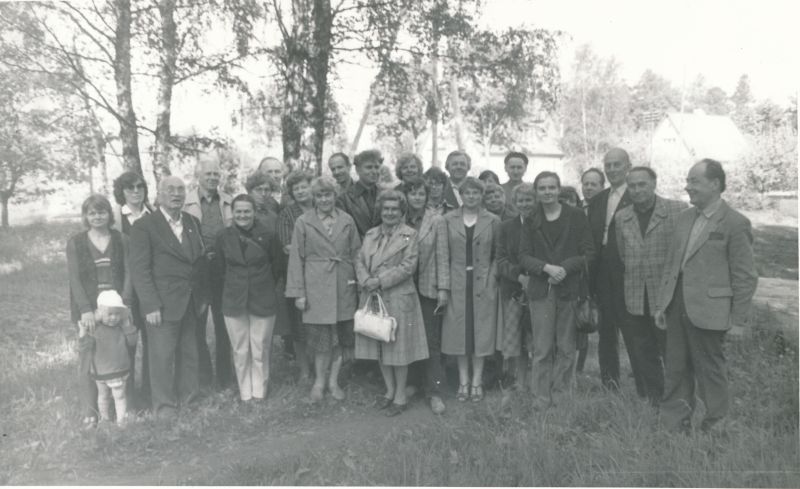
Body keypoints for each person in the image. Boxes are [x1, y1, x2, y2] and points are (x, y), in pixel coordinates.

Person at [655, 159, 757, 433]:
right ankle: (673, 428)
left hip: (711, 313)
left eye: (694, 181)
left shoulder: (736, 223)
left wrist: (738, 321)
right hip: (677, 308)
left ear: (715, 184)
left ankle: (716, 429)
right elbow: (672, 264)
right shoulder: (685, 218)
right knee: (675, 369)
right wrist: (662, 305)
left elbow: (745, 277)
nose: (687, 187)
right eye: (688, 181)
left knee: (710, 372)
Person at [130, 176, 208, 419]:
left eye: (180, 189)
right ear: (159, 195)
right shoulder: (144, 226)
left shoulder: (193, 222)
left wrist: (202, 297)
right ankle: (164, 406)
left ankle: (190, 399)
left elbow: (199, 261)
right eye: (170, 190)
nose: (176, 194)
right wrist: (150, 304)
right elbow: (140, 271)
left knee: (189, 353)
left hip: (191, 301)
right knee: (161, 357)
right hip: (162, 305)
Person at [520, 172, 595, 407]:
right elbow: (523, 256)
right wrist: (546, 269)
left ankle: (562, 395)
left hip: (569, 289)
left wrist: (564, 268)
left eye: (552, 187)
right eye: (542, 188)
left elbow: (589, 253)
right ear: (536, 191)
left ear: (558, 189)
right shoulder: (531, 218)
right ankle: (540, 397)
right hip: (541, 290)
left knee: (566, 347)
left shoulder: (576, 216)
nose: (547, 192)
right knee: (542, 348)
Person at [614, 166, 687, 406]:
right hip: (635, 295)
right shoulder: (622, 217)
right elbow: (624, 255)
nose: (637, 190)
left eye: (642, 184)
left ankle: (679, 400)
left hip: (667, 297)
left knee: (671, 351)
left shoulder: (678, 211)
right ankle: (655, 400)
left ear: (654, 184)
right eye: (632, 186)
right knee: (644, 352)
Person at [286, 176, 361, 401]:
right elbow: (296, 259)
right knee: (321, 341)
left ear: (334, 196)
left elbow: (357, 253)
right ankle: (318, 382)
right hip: (316, 286)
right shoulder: (303, 221)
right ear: (314, 198)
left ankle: (333, 381)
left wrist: (359, 284)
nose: (324, 199)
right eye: (319, 195)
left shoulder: (347, 220)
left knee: (339, 337)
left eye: (328, 194)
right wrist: (299, 292)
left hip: (342, 284)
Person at [356, 190, 429, 417]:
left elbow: (408, 266)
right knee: (379, 345)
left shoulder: (410, 235)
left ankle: (400, 395)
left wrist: (380, 280)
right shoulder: (370, 234)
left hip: (398, 295)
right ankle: (389, 391)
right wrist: (365, 280)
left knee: (398, 349)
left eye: (394, 209)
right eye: (386, 209)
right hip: (372, 295)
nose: (389, 213)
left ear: (402, 211)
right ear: (380, 210)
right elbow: (358, 259)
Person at [67, 194, 132, 427]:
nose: (97, 216)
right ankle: (90, 412)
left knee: (119, 353)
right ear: (86, 216)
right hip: (90, 310)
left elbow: (128, 272)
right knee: (88, 357)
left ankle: (124, 408)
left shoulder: (121, 239)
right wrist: (85, 310)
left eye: (101, 212)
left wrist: (125, 304)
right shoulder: (76, 242)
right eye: (92, 213)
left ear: (109, 214)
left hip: (116, 310)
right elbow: (74, 279)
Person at [216, 194, 285, 403]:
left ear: (254, 212)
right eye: (238, 211)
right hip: (234, 298)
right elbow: (219, 269)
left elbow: (277, 266)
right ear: (232, 213)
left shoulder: (269, 235)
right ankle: (245, 393)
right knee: (240, 348)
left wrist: (262, 284)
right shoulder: (223, 236)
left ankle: (259, 392)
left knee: (260, 346)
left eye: (247, 211)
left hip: (262, 296)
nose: (243, 215)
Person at [441, 177, 500, 402]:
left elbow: (498, 254)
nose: (472, 197)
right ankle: (463, 381)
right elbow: (443, 254)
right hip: (457, 284)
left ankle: (477, 381)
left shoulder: (492, 220)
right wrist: (444, 286)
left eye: (476, 193)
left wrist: (491, 280)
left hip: (482, 284)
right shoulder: (448, 220)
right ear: (461, 195)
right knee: (460, 335)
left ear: (481, 196)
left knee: (480, 334)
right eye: (468, 193)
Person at [183, 152, 234, 390]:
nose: (213, 178)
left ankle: (225, 379)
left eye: (216, 173)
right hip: (198, 271)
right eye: (208, 174)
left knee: (224, 326)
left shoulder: (229, 201)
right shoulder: (187, 202)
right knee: (197, 327)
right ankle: (203, 379)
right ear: (198, 176)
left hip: (223, 270)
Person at [400, 177, 450, 415]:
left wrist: (443, 289)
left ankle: (434, 391)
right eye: (413, 193)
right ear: (406, 196)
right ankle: (411, 384)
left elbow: (442, 255)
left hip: (428, 288)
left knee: (431, 341)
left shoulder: (437, 221)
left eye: (421, 193)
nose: (417, 197)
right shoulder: (398, 218)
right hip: (402, 288)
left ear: (427, 195)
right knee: (406, 337)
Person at [587, 147, 632, 390]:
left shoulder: (637, 196)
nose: (612, 169)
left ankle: (646, 383)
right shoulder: (598, 200)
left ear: (628, 167)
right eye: (609, 165)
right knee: (606, 331)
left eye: (617, 164)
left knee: (634, 330)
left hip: (628, 271)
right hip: (602, 272)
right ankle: (610, 383)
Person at [111, 171, 153, 408]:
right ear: (122, 192)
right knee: (128, 341)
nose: (136, 191)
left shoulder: (153, 214)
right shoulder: (117, 218)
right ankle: (127, 397)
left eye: (140, 187)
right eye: (130, 188)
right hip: (126, 289)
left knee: (152, 340)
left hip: (149, 288)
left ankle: (149, 391)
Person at [496, 184, 537, 394]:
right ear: (514, 202)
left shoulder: (541, 224)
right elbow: (500, 259)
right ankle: (520, 382)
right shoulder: (506, 227)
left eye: (529, 200)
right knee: (517, 340)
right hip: (513, 290)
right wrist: (519, 276)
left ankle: (538, 383)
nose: (525, 204)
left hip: (539, 290)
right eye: (520, 200)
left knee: (538, 339)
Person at [79, 290, 138, 426]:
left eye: (117, 314)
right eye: (109, 314)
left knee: (119, 396)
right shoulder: (95, 329)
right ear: (100, 314)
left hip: (118, 370)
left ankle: (121, 420)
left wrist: (128, 326)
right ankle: (105, 419)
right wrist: (83, 334)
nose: (113, 318)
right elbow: (85, 347)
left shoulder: (121, 328)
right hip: (101, 372)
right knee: (103, 396)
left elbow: (132, 341)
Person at [278, 171, 315, 381]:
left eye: (304, 186)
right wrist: (318, 251)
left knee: (319, 325)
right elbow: (287, 246)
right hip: (297, 276)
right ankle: (304, 370)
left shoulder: (322, 208)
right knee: (299, 327)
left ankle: (320, 367)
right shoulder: (287, 214)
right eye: (296, 189)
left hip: (322, 278)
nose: (300, 191)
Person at [558, 186, 588, 373]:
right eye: (563, 201)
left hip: (576, 281)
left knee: (578, 329)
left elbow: (586, 253)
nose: (567, 205)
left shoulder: (580, 221)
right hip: (554, 281)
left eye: (571, 201)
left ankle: (577, 371)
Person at [337, 149, 383, 238]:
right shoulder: (344, 198)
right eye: (369, 167)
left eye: (376, 167)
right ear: (358, 170)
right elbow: (344, 232)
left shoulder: (386, 194)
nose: (374, 171)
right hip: (358, 248)